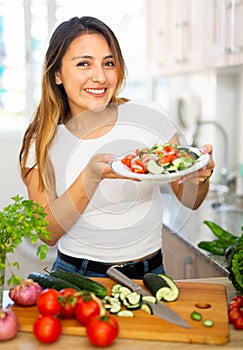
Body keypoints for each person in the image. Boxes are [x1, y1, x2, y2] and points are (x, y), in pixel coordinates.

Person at [19, 16, 215, 279]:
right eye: (83, 64)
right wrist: (90, 176)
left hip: (152, 274)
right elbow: (48, 234)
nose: (100, 77)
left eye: (108, 63)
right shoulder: (41, 140)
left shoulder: (149, 116)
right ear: (57, 74)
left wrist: (198, 177)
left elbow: (190, 198)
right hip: (79, 277)